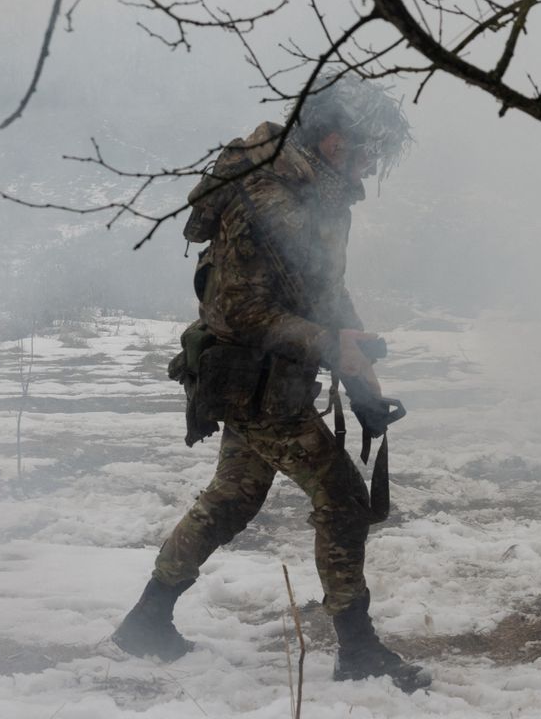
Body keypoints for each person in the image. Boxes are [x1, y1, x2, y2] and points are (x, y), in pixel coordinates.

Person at [111, 73, 428, 693]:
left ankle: (146, 621)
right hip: (248, 379)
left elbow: (326, 294)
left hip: (276, 378)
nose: (371, 164)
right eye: (366, 149)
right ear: (334, 140)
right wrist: (328, 344)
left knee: (234, 497)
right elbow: (244, 313)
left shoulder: (321, 193)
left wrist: (361, 377)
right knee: (343, 497)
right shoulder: (266, 193)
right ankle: (359, 651)